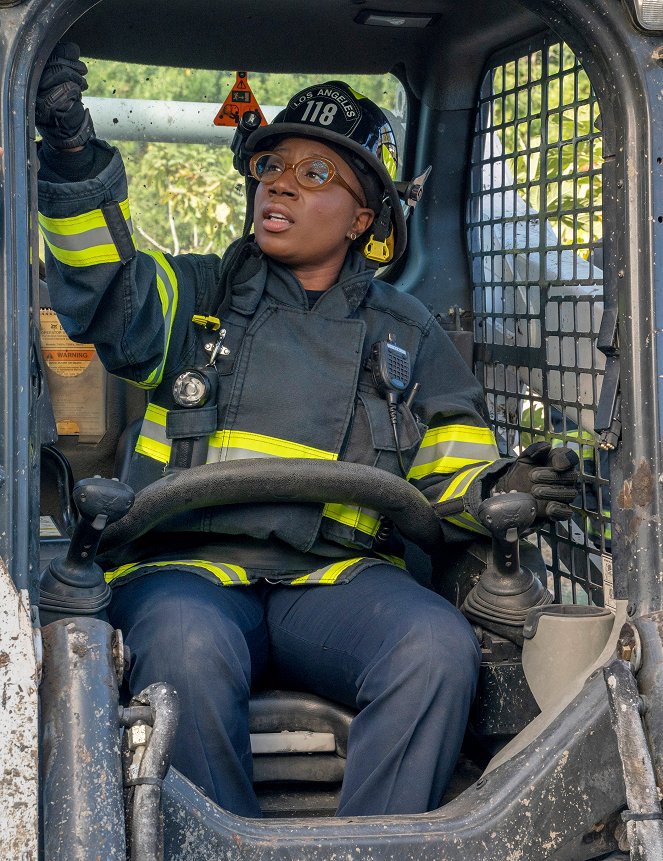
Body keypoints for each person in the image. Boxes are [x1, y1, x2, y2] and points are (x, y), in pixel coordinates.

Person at [36, 44, 579, 818]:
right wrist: (71, 155)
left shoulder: (405, 332)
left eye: (315, 172)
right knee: (183, 650)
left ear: (363, 217)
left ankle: (374, 843)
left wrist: (500, 488)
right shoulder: (194, 294)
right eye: (270, 166)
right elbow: (104, 290)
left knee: (433, 646)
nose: (280, 182)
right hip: (185, 572)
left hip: (336, 580)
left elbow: (452, 467)